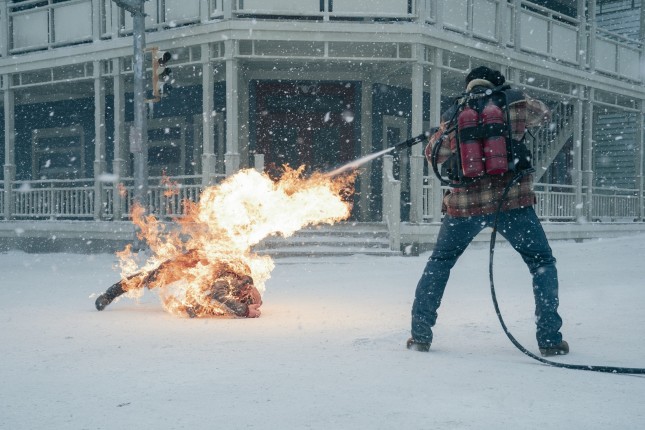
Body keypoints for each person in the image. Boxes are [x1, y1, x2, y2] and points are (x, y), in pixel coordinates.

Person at [407, 66, 568, 357]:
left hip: (464, 207)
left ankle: (420, 335)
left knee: (440, 262)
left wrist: (444, 132)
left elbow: (433, 154)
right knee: (541, 262)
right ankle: (549, 340)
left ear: (469, 86)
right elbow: (545, 115)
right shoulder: (516, 102)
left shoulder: (457, 112)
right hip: (512, 202)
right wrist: (514, 96)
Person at [95, 250, 263, 318]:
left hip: (206, 266)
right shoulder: (233, 280)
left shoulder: (239, 282)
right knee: (151, 278)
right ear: (245, 289)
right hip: (192, 262)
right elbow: (219, 294)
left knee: (195, 308)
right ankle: (109, 295)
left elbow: (216, 297)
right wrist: (245, 310)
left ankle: (108, 295)